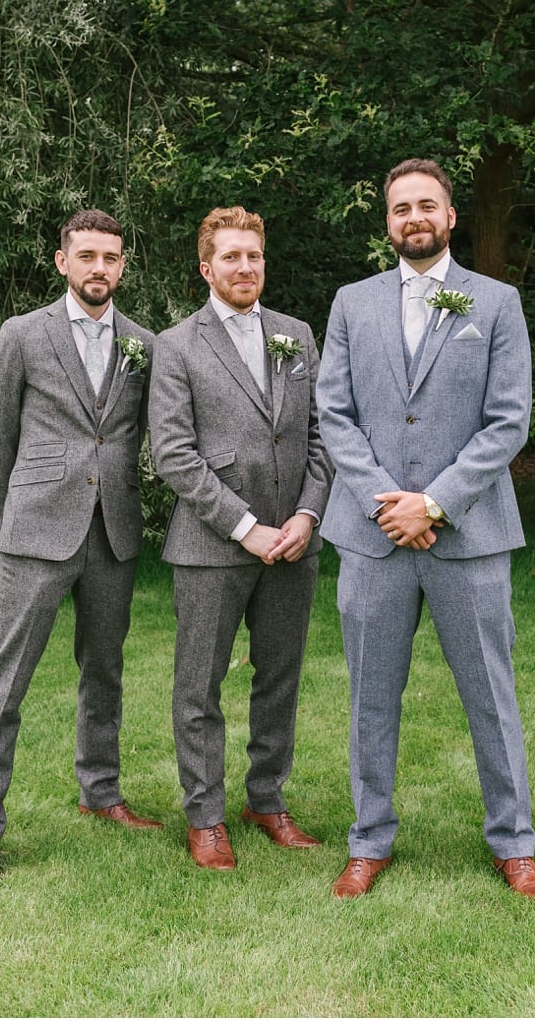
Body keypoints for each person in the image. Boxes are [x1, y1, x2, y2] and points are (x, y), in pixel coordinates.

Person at [316, 158, 535, 901]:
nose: (413, 217)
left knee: (491, 694)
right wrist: (391, 501)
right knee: (370, 697)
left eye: (427, 205)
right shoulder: (352, 304)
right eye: (400, 208)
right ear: (387, 222)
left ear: (450, 217)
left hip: (470, 536)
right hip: (373, 536)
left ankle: (514, 843)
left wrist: (436, 502)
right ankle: (368, 839)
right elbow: (335, 414)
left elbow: (509, 419)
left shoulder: (497, 303)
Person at [0, 209, 159, 889]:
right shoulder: (23, 335)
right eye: (87, 256)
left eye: (111, 256)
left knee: (103, 670)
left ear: (123, 265)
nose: (99, 267)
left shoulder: (143, 343)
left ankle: (101, 792)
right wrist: (16, 509)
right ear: (62, 262)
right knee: (5, 682)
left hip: (115, 532)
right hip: (37, 531)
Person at [149, 206, 331, 871]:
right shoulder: (176, 345)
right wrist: (246, 527)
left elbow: (320, 437)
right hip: (211, 545)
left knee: (279, 678)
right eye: (231, 257)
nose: (245, 267)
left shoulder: (296, 336)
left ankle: (267, 798)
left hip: (294, 541)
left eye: (253, 256)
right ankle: (205, 816)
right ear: (207, 267)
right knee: (199, 685)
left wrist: (308, 517)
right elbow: (173, 454)